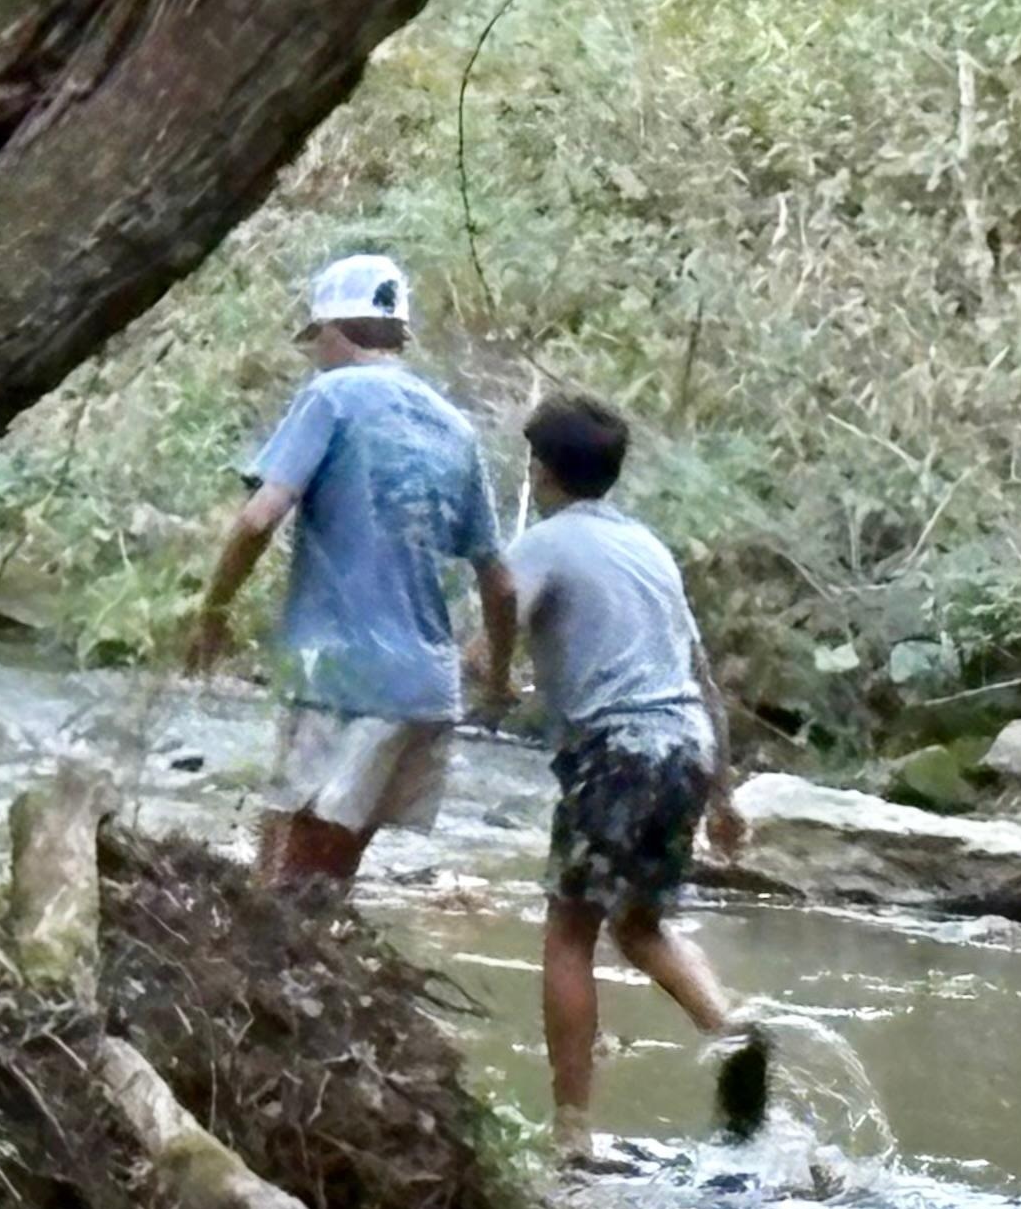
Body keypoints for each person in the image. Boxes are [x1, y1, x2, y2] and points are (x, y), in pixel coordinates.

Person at [485, 393, 768, 1162]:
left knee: (568, 933)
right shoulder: (649, 548)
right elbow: (701, 679)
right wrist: (724, 795)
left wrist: (494, 677)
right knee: (639, 924)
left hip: (614, 752)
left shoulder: (540, 545)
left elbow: (496, 615)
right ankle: (731, 1028)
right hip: (681, 747)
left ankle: (572, 1131)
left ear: (538, 469)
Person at [189, 253, 514, 892]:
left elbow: (258, 520)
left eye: (317, 341)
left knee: (285, 872)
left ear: (334, 329)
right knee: (325, 874)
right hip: (426, 687)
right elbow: (500, 582)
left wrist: (214, 613)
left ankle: (263, 982)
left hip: (339, 674)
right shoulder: (455, 427)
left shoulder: (330, 396)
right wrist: (498, 680)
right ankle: (290, 980)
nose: (316, 354)